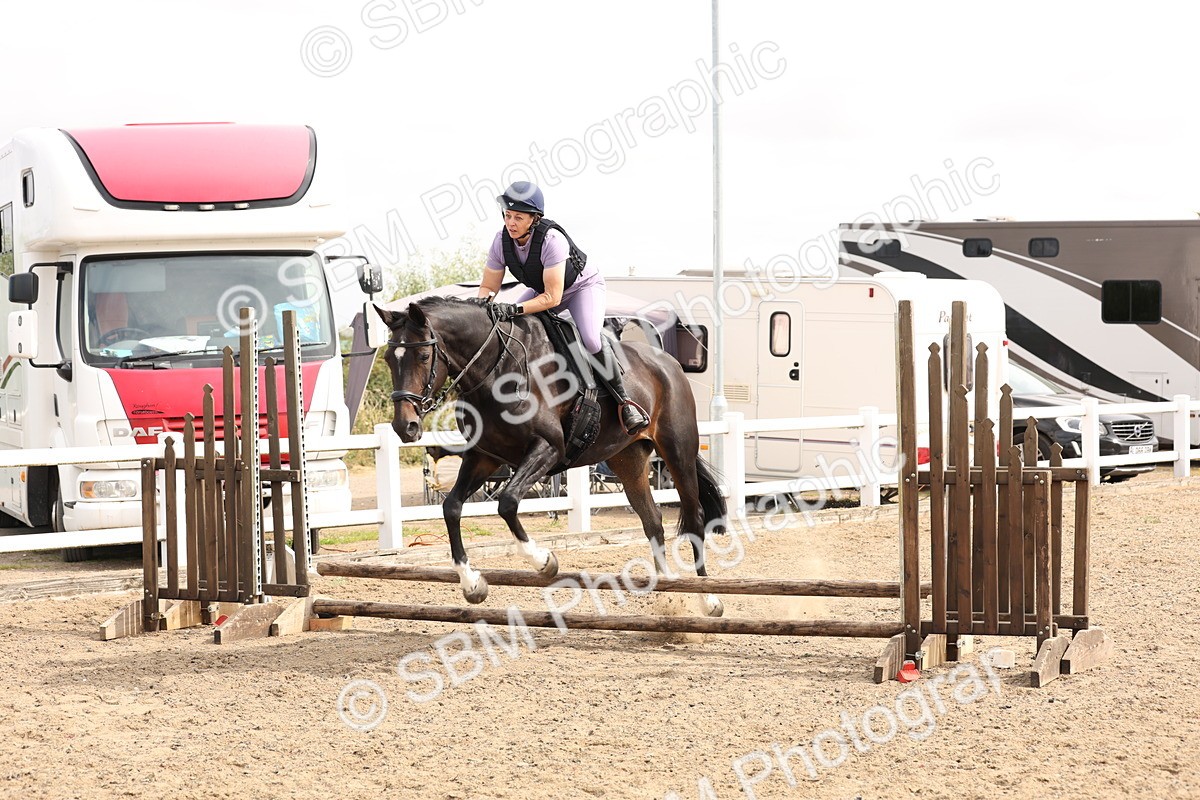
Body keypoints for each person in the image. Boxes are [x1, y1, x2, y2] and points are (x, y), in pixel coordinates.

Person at [476, 181, 649, 434]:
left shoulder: (552, 239)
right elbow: (488, 287)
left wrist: (513, 309)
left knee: (590, 339)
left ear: (534, 219)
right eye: (507, 215)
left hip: (581, 288)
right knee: (510, 328)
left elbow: (552, 298)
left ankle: (625, 402)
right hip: (543, 290)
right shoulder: (500, 241)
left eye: (518, 217)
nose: (510, 223)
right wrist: (482, 307)